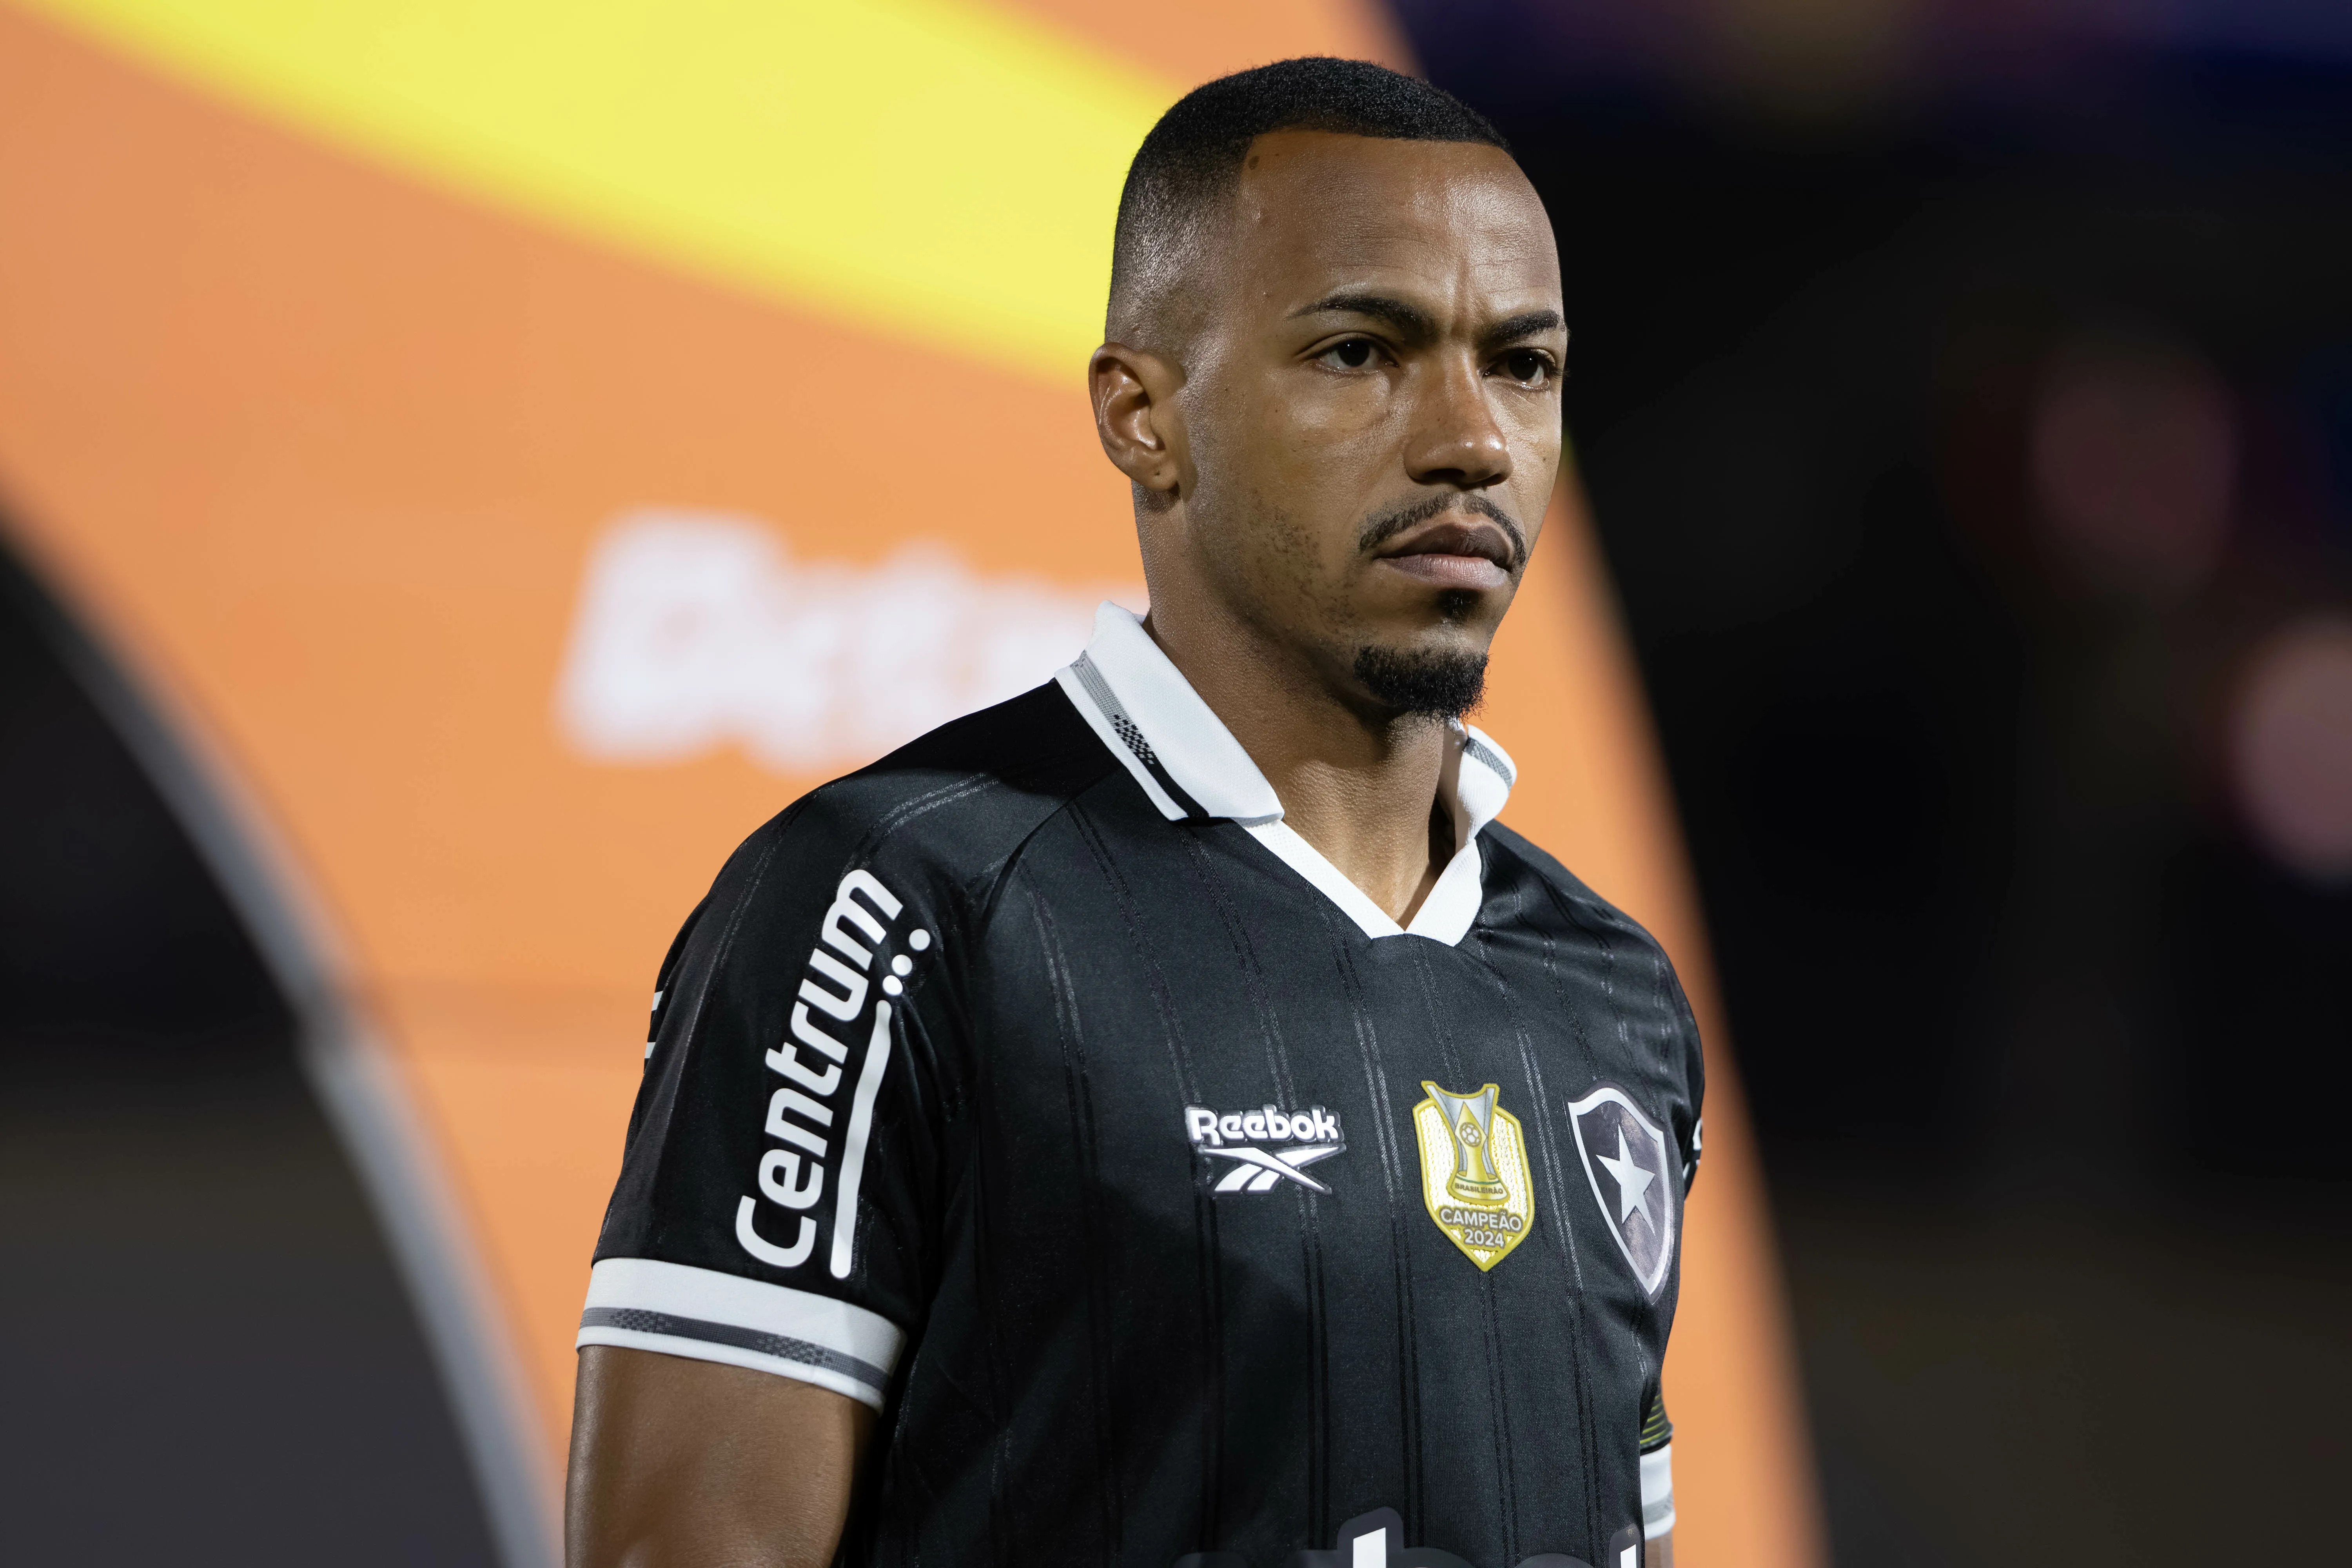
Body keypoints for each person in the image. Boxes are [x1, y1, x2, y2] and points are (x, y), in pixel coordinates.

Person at [566, 57, 1701, 1568]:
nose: (1471, 440)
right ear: (1142, 417)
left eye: (1524, 364)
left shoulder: (1610, 991)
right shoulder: (892, 906)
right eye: (1363, 354)